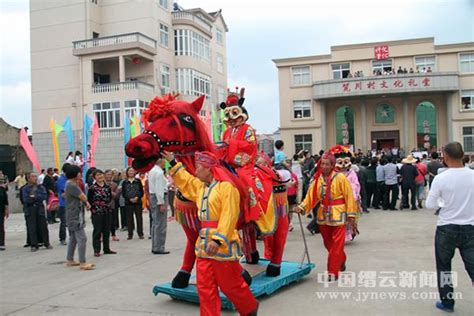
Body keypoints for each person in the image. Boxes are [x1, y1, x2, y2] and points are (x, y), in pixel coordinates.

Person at [164, 150, 258, 316]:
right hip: (203, 246)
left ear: (209, 169)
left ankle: (249, 307)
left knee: (230, 285)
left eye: (199, 167)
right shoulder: (201, 187)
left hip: (222, 245)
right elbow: (186, 182)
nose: (196, 171)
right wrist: (173, 162)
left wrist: (218, 240)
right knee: (205, 288)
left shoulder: (227, 188)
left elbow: (229, 216)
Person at [425, 142, 474, 313]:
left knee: (444, 266)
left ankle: (447, 302)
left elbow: (430, 205)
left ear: (445, 156)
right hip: (470, 227)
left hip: (447, 228)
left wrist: (444, 203)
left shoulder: (441, 178)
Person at [295, 151, 357, 280]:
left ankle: (332, 272)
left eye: (327, 164)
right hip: (323, 215)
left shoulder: (340, 178)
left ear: (332, 165)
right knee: (328, 243)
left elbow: (349, 196)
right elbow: (310, 197)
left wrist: (351, 214)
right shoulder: (317, 180)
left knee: (337, 244)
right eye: (322, 164)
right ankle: (341, 259)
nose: (324, 167)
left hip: (339, 214)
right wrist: (302, 207)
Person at [64, 165, 95, 270]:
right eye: (79, 172)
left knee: (73, 238)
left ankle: (70, 259)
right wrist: (85, 200)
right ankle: (82, 262)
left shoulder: (71, 184)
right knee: (82, 238)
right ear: (76, 174)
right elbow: (83, 197)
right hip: (75, 216)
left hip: (73, 214)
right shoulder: (72, 185)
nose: (81, 174)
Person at [88, 169, 116, 256]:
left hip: (107, 211)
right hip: (96, 212)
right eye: (98, 175)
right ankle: (96, 250)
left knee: (106, 231)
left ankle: (106, 249)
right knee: (97, 231)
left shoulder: (107, 187)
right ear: (94, 177)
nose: (100, 176)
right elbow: (89, 199)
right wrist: (94, 208)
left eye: (101, 174)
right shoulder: (92, 188)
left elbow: (110, 197)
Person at [22, 172, 52, 251]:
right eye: (33, 177)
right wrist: (35, 197)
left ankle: (46, 242)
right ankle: (34, 245)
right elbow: (26, 199)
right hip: (30, 209)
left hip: (39, 208)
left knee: (43, 226)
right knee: (32, 227)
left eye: (36, 176)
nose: (35, 178)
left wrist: (34, 196)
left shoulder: (41, 187)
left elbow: (44, 196)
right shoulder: (25, 188)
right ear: (28, 178)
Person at [148, 158, 169, 254]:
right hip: (159, 197)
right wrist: (161, 203)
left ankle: (155, 245)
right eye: (164, 161)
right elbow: (159, 189)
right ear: (160, 161)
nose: (165, 163)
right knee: (160, 224)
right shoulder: (159, 173)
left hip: (153, 196)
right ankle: (159, 247)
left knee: (155, 223)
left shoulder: (153, 171)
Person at [122, 167, 144, 240]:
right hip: (128, 203)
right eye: (129, 171)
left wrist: (137, 197)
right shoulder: (124, 182)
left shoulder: (138, 181)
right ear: (127, 173)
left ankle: (140, 233)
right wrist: (129, 199)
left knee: (139, 218)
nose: (131, 172)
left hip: (138, 202)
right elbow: (124, 193)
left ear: (134, 172)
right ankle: (130, 234)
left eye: (132, 171)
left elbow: (141, 191)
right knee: (129, 219)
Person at [56, 164, 70, 245]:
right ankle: (62, 238)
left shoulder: (69, 179)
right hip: (63, 204)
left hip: (70, 203)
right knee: (64, 222)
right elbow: (65, 191)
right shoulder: (61, 179)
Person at [104, 170, 120, 241]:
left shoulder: (114, 184)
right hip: (103, 205)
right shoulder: (101, 184)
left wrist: (108, 191)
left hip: (112, 204)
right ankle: (102, 235)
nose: (109, 176)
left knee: (112, 220)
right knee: (103, 221)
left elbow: (116, 195)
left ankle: (113, 235)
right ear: (104, 175)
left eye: (110, 174)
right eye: (107, 174)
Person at [0, 181, 8, 250]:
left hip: (1, 210)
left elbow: (5, 200)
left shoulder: (2, 189)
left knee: (1, 226)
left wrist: (6, 209)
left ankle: (1, 243)